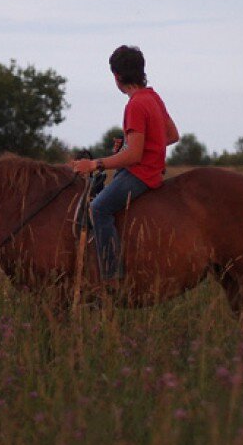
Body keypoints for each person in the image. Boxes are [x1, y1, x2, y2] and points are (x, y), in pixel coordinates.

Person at [68, 45, 179, 290]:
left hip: (140, 174)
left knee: (98, 209)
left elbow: (134, 156)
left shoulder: (136, 104)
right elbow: (171, 135)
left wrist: (95, 163)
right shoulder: (153, 97)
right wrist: (129, 143)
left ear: (117, 77)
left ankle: (111, 275)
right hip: (150, 169)